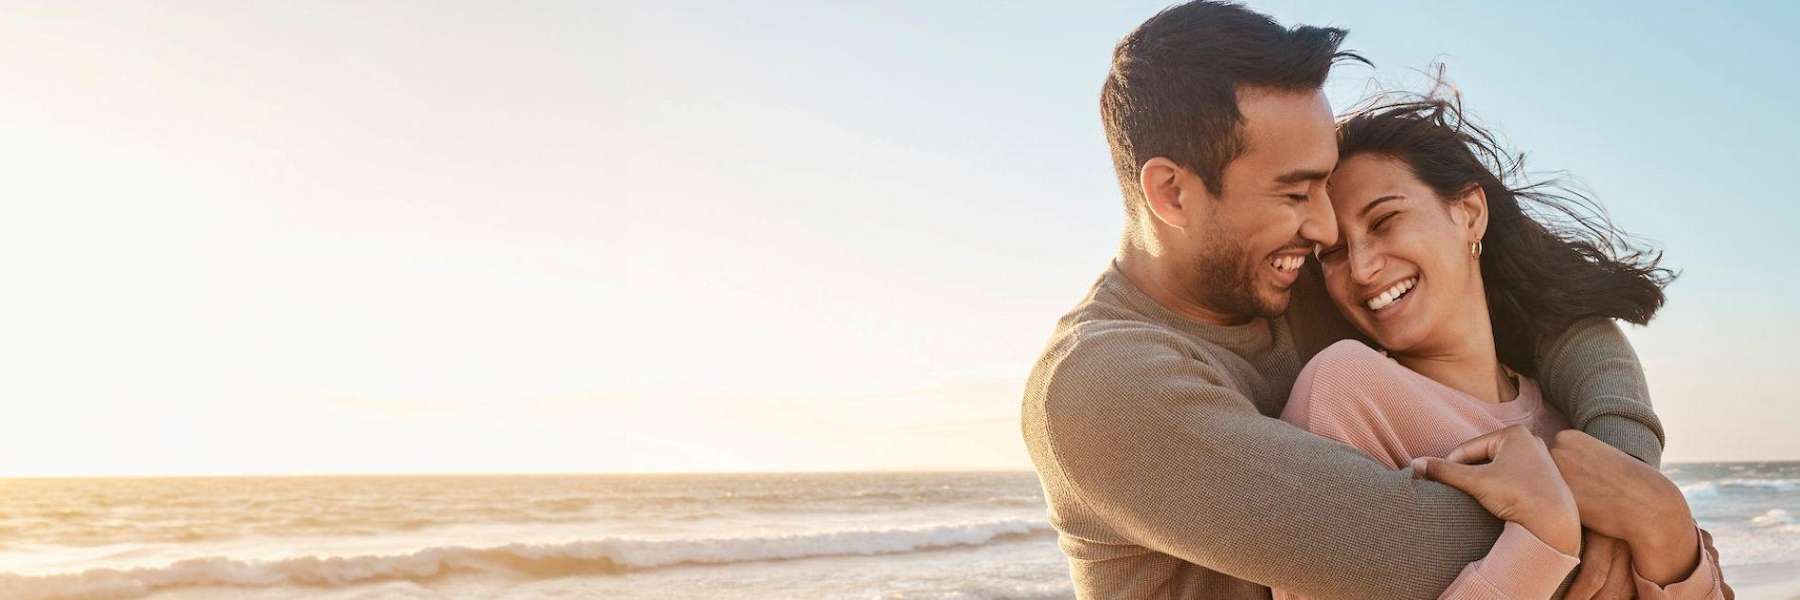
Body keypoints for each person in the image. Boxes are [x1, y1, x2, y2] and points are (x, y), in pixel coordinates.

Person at [1020, 2, 1716, 598]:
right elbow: (1404, 552)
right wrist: (1628, 525)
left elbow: (1555, 317)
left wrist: (1624, 469)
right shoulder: (1101, 387)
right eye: (1295, 193)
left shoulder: (1296, 282)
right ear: (1172, 193)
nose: (1327, 231)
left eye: (1325, 186)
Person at [1273, 94, 1729, 599]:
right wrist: (1541, 541)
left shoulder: (1574, 420)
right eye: (1333, 253)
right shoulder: (1345, 391)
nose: (1361, 268)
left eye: (1384, 222)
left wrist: (1667, 527)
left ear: (1469, 213)